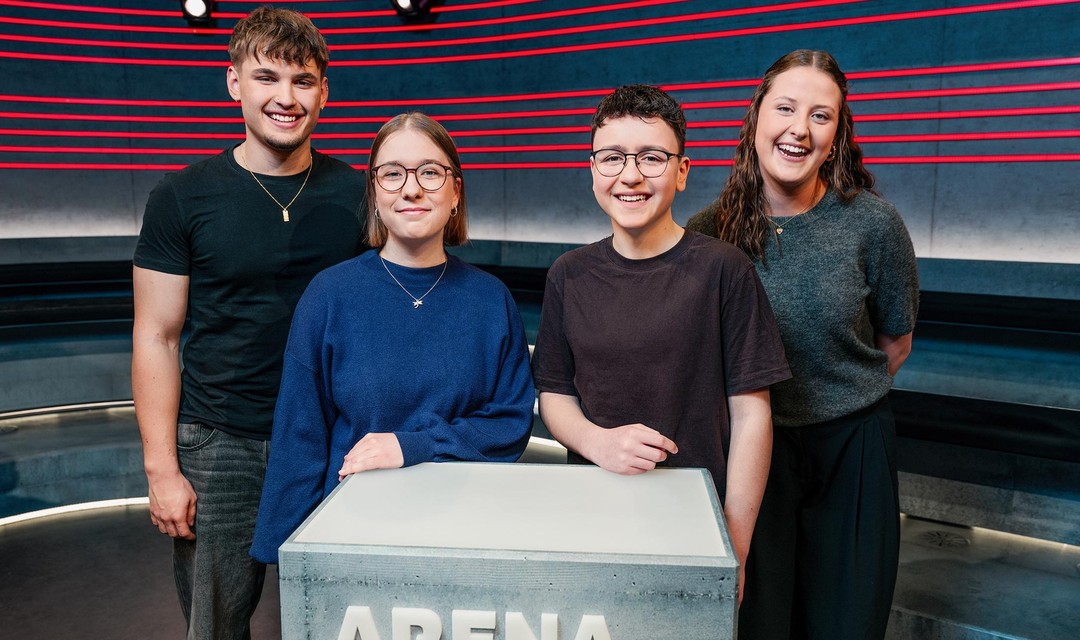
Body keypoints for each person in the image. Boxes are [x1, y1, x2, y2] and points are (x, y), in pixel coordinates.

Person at [131, 7, 365, 639]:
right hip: (219, 445)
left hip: (334, 442)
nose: (285, 98)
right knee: (215, 629)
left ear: (324, 90)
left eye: (303, 81)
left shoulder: (361, 195)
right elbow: (156, 335)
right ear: (234, 83)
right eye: (267, 78)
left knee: (342, 621)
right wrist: (161, 468)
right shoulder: (181, 197)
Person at [686, 50, 919, 639]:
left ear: (837, 134)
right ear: (756, 117)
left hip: (853, 453)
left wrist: (837, 401)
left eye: (821, 116)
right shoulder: (708, 234)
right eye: (785, 108)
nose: (799, 129)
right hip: (751, 456)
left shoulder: (875, 225)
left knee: (847, 621)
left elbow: (896, 340)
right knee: (759, 622)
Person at [532, 84, 791, 601]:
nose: (630, 175)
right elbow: (556, 397)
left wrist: (733, 549)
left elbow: (752, 417)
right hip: (592, 514)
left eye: (651, 158)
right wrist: (598, 442)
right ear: (592, 170)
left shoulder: (724, 270)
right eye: (612, 158)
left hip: (695, 521)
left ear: (682, 170)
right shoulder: (569, 274)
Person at [249, 112, 535, 563]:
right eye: (392, 173)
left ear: (456, 191)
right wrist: (286, 554)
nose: (411, 188)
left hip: (466, 530)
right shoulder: (329, 295)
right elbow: (299, 435)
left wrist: (412, 445)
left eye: (430, 172)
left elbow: (511, 425)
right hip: (353, 532)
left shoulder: (490, 300)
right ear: (375, 193)